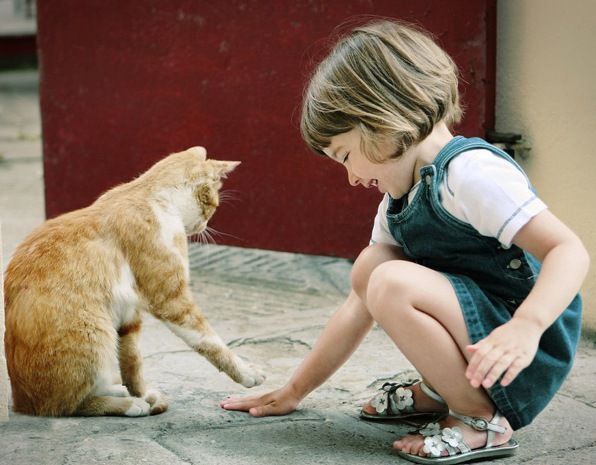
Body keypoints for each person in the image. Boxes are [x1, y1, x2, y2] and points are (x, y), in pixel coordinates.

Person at [220, 19, 589, 464]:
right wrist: (294, 390)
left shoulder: (473, 175)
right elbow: (359, 303)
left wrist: (526, 327)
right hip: (483, 343)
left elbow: (568, 251)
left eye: (345, 156)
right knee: (372, 267)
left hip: (518, 354)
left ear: (381, 118)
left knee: (391, 280)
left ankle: (479, 421)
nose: (352, 178)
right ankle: (442, 389)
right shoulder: (403, 196)